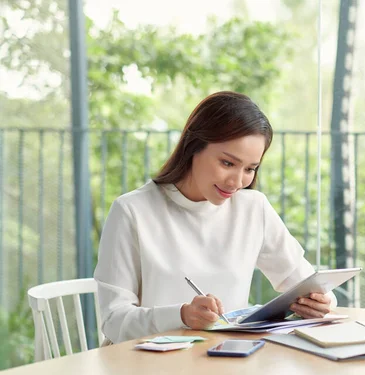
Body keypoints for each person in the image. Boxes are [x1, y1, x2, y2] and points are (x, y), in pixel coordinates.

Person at [94, 91, 337, 344]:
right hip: (145, 368)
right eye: (227, 163)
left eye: (250, 169)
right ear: (193, 147)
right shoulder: (132, 211)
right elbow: (113, 321)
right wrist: (182, 316)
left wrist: (319, 302)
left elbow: (312, 285)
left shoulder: (253, 208)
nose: (237, 181)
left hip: (226, 361)